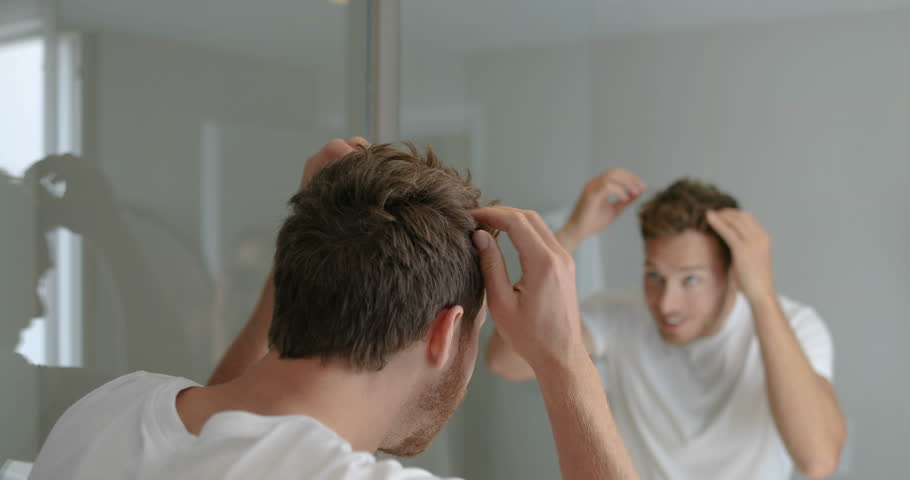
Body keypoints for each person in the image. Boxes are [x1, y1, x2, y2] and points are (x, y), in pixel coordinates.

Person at [29, 139, 640, 480]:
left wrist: (306, 233)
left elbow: (229, 423)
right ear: (444, 332)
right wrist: (566, 364)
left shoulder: (108, 412)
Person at [487, 170, 846, 479]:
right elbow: (506, 361)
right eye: (654, 276)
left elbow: (817, 460)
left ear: (731, 274)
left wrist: (762, 294)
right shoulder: (618, 314)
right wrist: (572, 234)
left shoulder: (794, 324)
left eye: (690, 280)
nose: (666, 303)